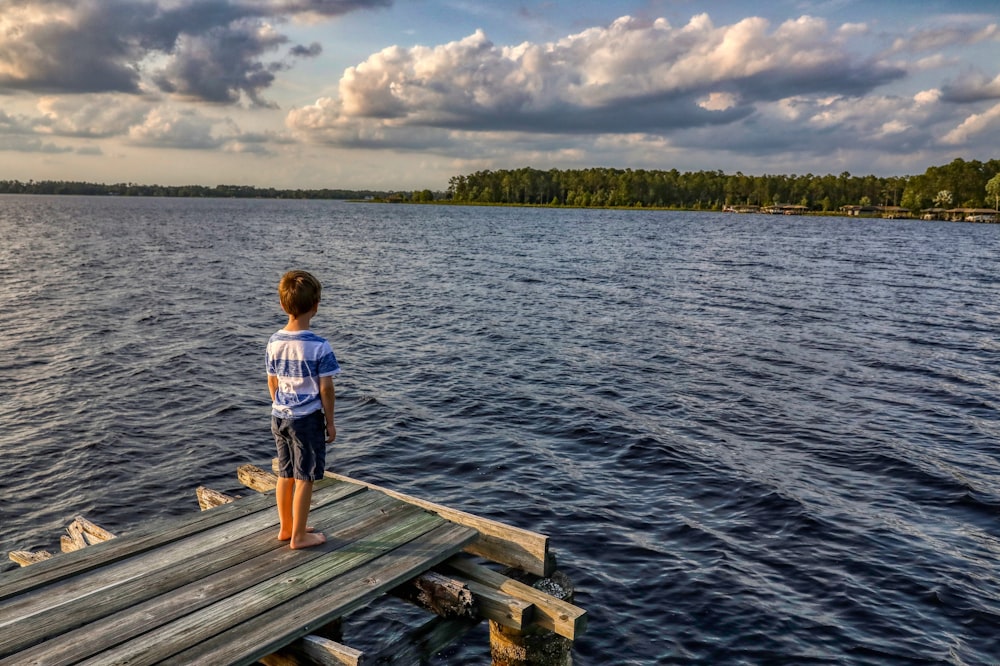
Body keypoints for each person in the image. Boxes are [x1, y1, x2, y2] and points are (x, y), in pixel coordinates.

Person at [266, 270, 340, 549]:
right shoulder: (320, 346)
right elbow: (326, 389)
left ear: (283, 305)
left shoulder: (274, 341)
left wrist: (280, 403)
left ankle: (287, 528)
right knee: (305, 476)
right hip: (307, 419)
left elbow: (272, 379)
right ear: (316, 305)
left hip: (279, 415)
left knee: (285, 474)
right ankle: (299, 536)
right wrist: (330, 422)